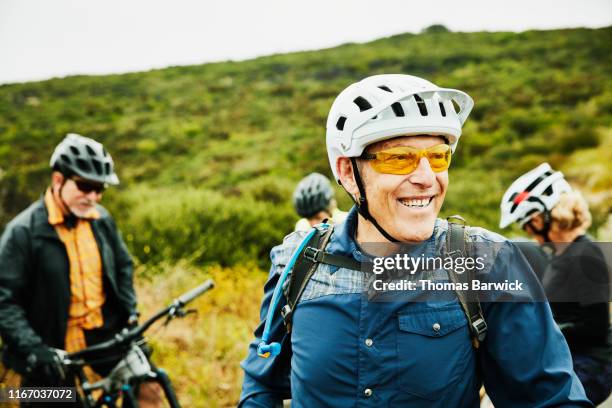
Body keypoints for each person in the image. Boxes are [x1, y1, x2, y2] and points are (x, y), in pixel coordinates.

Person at [239, 74, 591, 407]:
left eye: (438, 157)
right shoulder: (298, 260)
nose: (427, 178)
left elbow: (553, 399)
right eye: (399, 159)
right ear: (348, 173)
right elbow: (261, 380)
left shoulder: (487, 262)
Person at [0, 133, 161, 406]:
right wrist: (34, 350)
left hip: (102, 336)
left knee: (150, 389)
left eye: (100, 189)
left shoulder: (101, 219)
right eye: (85, 186)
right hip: (51, 349)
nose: (93, 197)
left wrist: (130, 313)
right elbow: (4, 301)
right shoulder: (23, 233)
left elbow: (123, 266)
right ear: (58, 180)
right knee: (44, 399)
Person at [500, 163, 611, 405]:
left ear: (548, 216)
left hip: (591, 364)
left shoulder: (584, 255)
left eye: (530, 223)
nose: (530, 232)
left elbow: (596, 326)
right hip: (572, 357)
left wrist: (541, 331)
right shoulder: (565, 254)